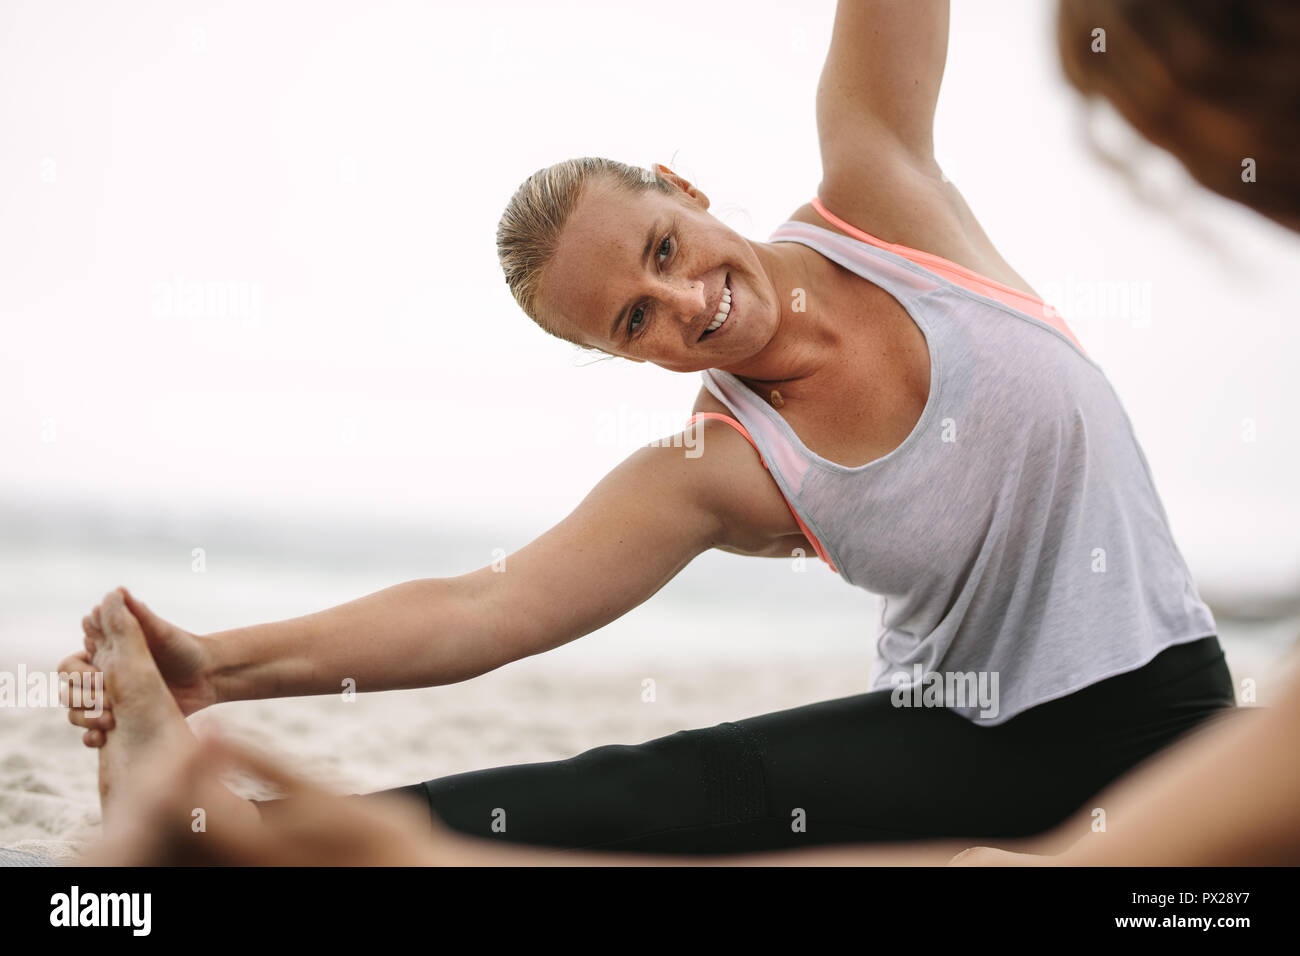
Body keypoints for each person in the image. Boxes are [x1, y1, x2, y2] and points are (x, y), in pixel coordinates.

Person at [65, 0, 1236, 858]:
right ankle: (226, 839)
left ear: (682, 186)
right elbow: (488, 605)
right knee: (661, 791)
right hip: (953, 733)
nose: (687, 306)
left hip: (1163, 704)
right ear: (621, 354)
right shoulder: (718, 464)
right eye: (636, 319)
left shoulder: (881, 191)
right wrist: (214, 665)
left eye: (662, 250)